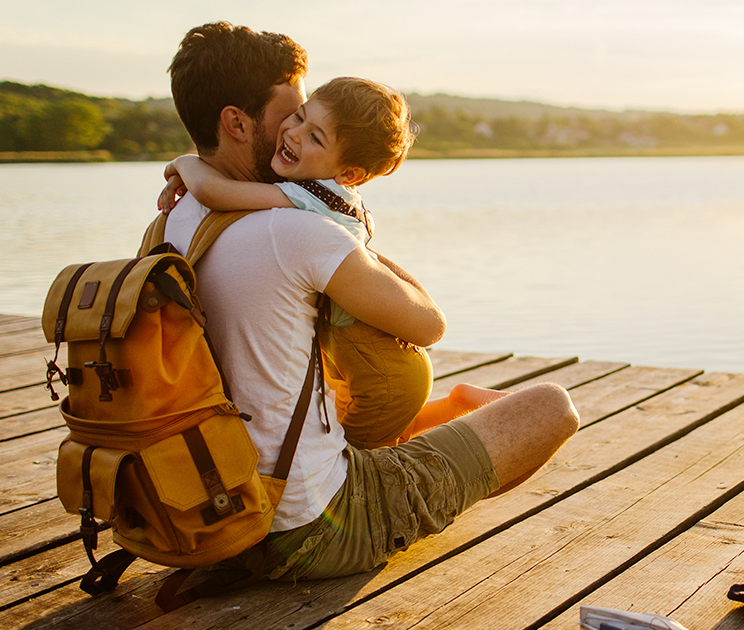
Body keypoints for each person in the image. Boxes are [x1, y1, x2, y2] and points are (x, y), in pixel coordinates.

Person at [156, 21, 579, 584]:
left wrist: (189, 164)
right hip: (308, 526)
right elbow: (428, 324)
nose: (293, 128)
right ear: (236, 122)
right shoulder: (295, 231)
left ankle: (438, 428)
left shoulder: (171, 221)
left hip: (210, 514)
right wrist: (353, 237)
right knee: (551, 407)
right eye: (292, 113)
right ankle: (430, 461)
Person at [159, 76, 504, 450]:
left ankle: (471, 416)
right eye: (299, 117)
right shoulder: (337, 194)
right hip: (368, 360)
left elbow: (215, 192)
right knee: (376, 439)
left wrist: (185, 162)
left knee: (354, 455)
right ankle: (459, 406)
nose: (293, 133)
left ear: (349, 173)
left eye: (315, 138)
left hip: (375, 368)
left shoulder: (304, 197)